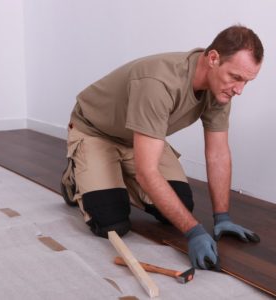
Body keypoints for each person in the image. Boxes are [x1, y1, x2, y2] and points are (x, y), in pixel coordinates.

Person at [61, 25, 263, 270]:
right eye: (236, 77)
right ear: (213, 59)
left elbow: (218, 153)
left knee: (180, 206)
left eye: (247, 82)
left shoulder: (220, 89)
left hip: (139, 138)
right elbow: (148, 172)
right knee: (110, 223)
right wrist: (194, 232)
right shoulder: (159, 82)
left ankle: (113, 175)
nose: (240, 90)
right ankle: (75, 180)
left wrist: (222, 216)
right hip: (96, 131)